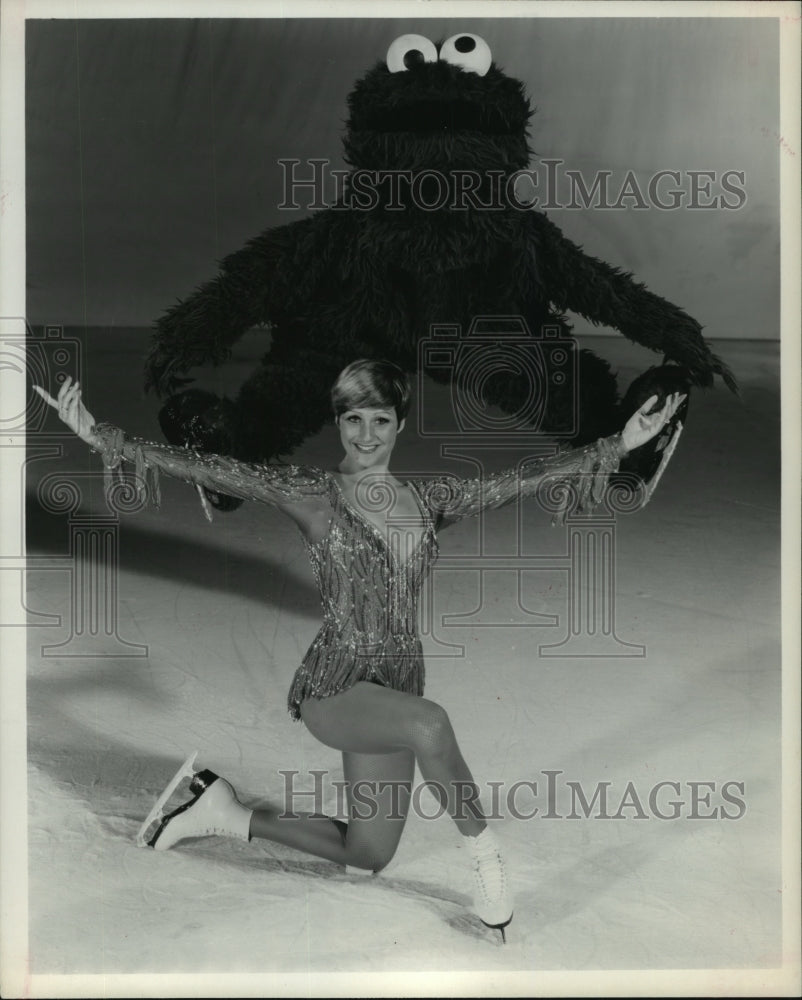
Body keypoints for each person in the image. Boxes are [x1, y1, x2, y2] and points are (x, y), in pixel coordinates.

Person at [34, 361, 684, 942]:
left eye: (379, 418)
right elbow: (216, 470)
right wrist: (105, 437)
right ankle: (487, 861)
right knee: (431, 724)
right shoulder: (313, 495)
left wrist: (617, 445)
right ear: (338, 421)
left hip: (394, 686)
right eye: (352, 418)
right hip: (338, 689)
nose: (365, 433)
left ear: (399, 422)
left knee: (368, 854)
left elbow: (520, 480)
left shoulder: (431, 503)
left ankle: (222, 811)